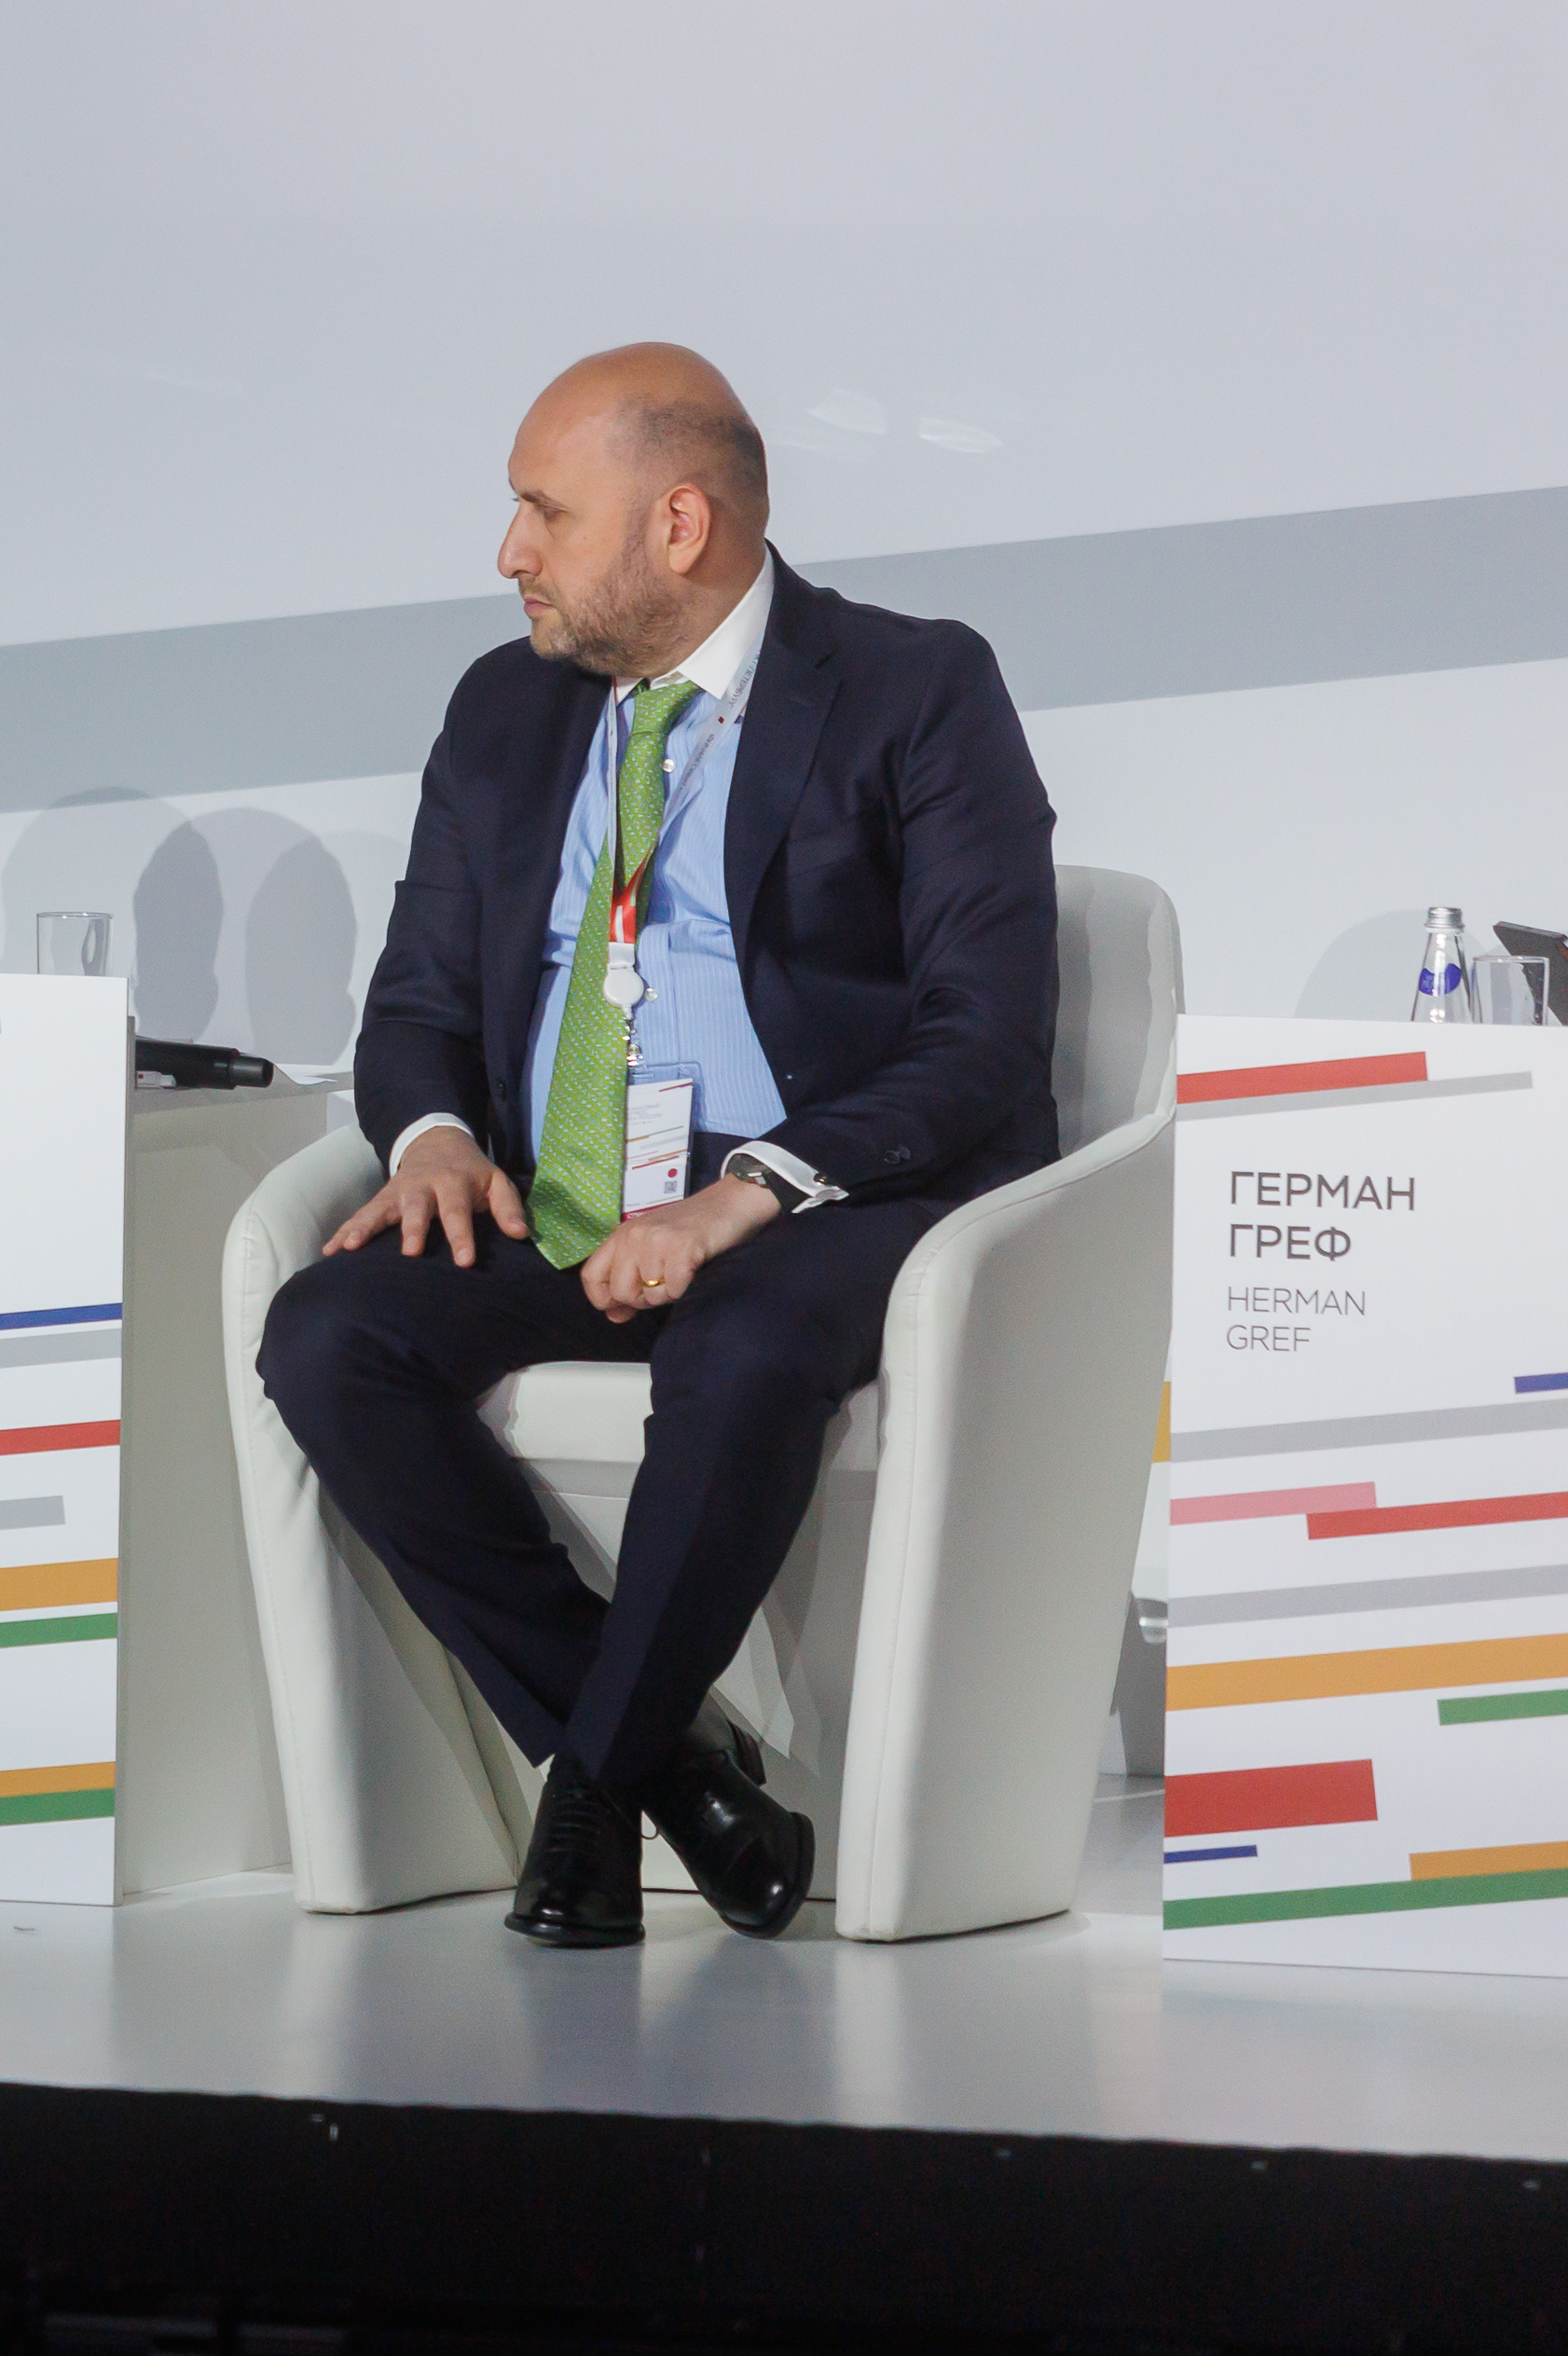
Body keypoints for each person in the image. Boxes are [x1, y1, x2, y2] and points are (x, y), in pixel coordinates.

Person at [255, 344, 1056, 1947]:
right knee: (329, 1332)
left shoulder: (912, 689)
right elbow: (416, 1000)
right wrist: (429, 1138)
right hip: (566, 1193)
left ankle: (591, 1794)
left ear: (680, 524)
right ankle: (676, 1772)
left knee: (744, 1347)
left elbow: (982, 1039)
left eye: (545, 512)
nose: (511, 552)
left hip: (816, 1195)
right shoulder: (504, 711)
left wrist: (744, 1194)